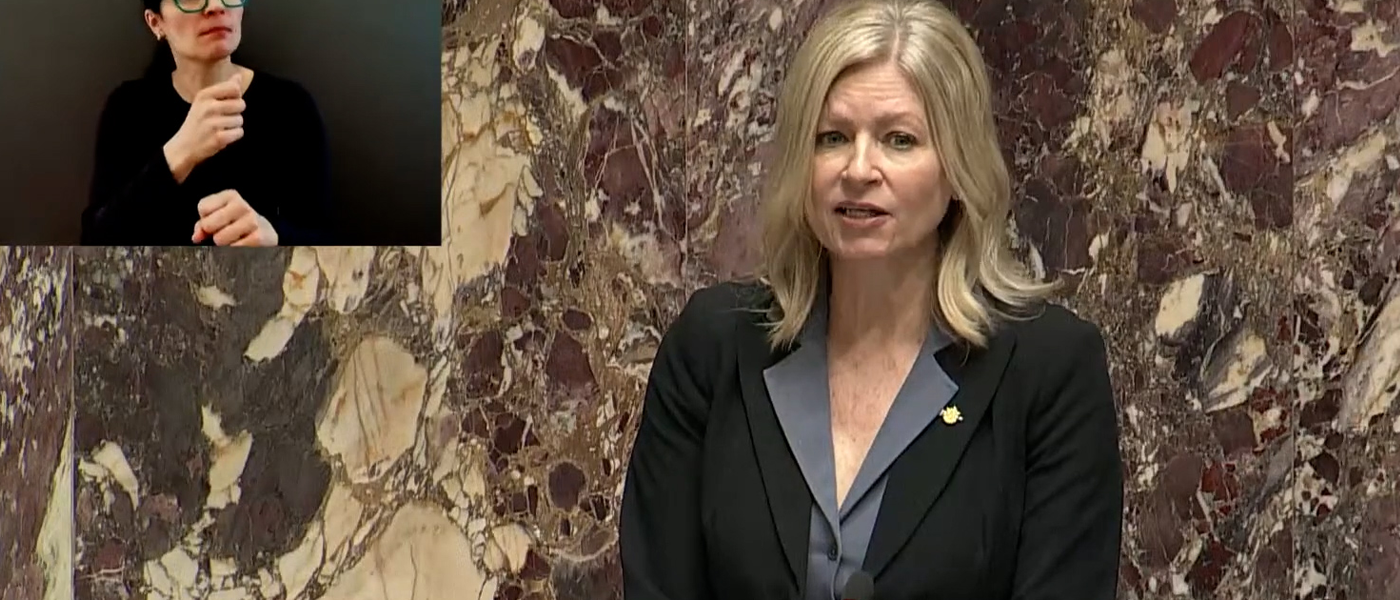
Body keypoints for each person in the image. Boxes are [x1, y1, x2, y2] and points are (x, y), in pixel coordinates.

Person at [619, 1, 1124, 599]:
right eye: (832, 138)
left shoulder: (1049, 370)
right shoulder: (713, 347)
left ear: (957, 168)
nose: (858, 169)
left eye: (899, 140)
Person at [82, 0, 331, 246]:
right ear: (156, 22)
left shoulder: (290, 106)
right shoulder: (128, 109)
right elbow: (94, 242)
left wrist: (274, 237)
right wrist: (179, 153)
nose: (215, 6)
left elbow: (323, 239)